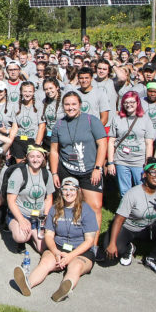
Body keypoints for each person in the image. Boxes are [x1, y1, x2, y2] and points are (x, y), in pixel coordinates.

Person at [12, 177, 98, 302]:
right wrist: (56, 252)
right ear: (61, 191)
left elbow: (89, 241)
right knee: (45, 262)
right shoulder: (54, 209)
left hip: (80, 251)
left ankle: (64, 288)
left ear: (78, 191)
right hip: (59, 246)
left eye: (72, 189)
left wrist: (70, 256)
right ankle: (27, 283)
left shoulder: (87, 210)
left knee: (76, 266)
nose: (68, 193)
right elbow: (49, 235)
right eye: (65, 189)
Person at [49, 91, 107, 223]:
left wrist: (98, 168)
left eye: (74, 104)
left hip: (90, 170)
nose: (70, 107)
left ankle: (93, 243)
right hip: (67, 170)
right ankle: (69, 234)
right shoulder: (59, 125)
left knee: (95, 206)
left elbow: (102, 144)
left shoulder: (91, 120)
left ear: (80, 104)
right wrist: (54, 173)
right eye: (67, 104)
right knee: (67, 206)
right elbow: (54, 151)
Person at [106, 91, 156, 197]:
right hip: (121, 160)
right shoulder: (117, 118)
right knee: (124, 191)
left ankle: (141, 211)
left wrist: (148, 163)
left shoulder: (146, 120)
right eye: (126, 102)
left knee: (142, 188)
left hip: (139, 161)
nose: (129, 105)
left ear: (137, 103)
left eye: (132, 102)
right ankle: (126, 212)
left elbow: (149, 143)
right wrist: (110, 162)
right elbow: (111, 141)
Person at [6, 145, 54, 251]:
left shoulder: (47, 174)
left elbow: (49, 198)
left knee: (43, 248)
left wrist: (46, 217)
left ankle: (33, 233)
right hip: (21, 214)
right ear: (27, 157)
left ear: (43, 158)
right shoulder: (19, 173)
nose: (35, 159)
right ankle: (25, 232)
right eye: (32, 156)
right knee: (21, 237)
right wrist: (21, 220)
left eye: (38, 156)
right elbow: (11, 200)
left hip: (39, 217)